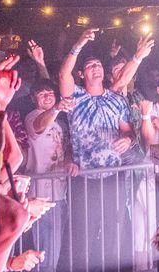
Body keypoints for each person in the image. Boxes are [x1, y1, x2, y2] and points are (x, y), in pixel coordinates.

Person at [58, 30, 138, 169]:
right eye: (90, 65)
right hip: (82, 173)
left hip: (113, 171)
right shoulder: (75, 96)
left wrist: (127, 139)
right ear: (81, 74)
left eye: (99, 64)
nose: (96, 67)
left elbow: (128, 132)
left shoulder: (116, 99)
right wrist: (78, 45)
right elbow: (64, 74)